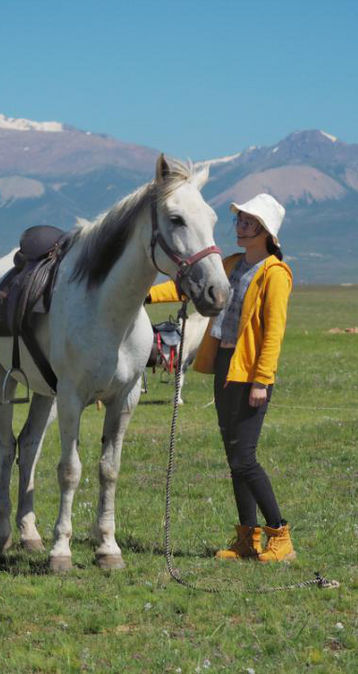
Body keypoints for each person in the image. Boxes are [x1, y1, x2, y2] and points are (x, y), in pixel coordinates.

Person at [147, 193, 295, 562]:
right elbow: (185, 288)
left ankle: (281, 536)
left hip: (251, 372)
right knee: (234, 458)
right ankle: (247, 539)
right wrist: (146, 294)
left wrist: (262, 381)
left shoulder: (276, 274)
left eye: (247, 223)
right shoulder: (229, 264)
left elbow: (273, 333)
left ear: (264, 231)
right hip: (226, 366)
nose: (239, 228)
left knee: (245, 458)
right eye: (239, 221)